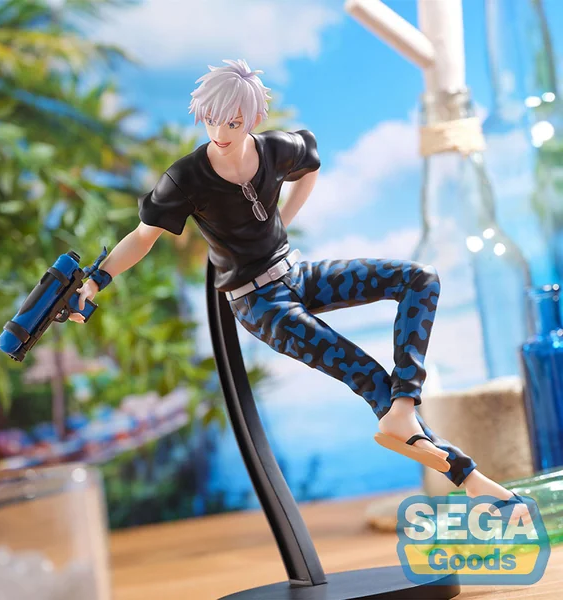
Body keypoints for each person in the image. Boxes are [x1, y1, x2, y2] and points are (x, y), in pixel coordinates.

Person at [70, 58, 532, 523]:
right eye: (211, 119)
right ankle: (474, 481)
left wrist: (281, 222)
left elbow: (310, 165)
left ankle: (405, 405)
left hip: (297, 273)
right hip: (259, 303)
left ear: (253, 117)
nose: (220, 132)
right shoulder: (185, 178)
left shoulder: (276, 148)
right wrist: (95, 280)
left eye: (232, 122)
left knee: (419, 278)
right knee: (367, 375)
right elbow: (143, 236)